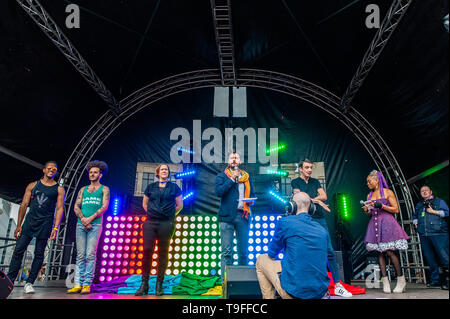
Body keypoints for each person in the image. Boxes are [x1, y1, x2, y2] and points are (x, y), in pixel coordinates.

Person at [291, 159, 352, 297]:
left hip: (319, 218)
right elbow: (299, 198)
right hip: (304, 218)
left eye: (311, 167)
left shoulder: (315, 182)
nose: (309, 170)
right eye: (306, 167)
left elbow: (323, 196)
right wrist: (317, 200)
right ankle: (308, 285)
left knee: (329, 250)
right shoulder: (295, 182)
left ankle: (337, 285)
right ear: (301, 169)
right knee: (305, 250)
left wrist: (313, 199)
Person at [256, 192, 330, 299]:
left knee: (261, 259)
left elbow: (272, 253)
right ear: (311, 208)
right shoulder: (322, 229)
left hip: (294, 293)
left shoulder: (285, 222)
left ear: (292, 206)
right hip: (319, 294)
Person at [7, 161, 65, 294]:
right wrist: (19, 225)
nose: (52, 170)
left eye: (54, 169)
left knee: (39, 254)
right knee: (18, 250)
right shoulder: (33, 185)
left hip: (45, 224)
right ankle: (10, 280)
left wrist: (55, 228)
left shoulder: (58, 189)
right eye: (49, 168)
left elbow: (60, 208)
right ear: (44, 170)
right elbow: (24, 204)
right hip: (29, 222)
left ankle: (29, 282)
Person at [135, 164, 183, 296]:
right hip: (150, 223)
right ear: (157, 172)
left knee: (163, 252)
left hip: (166, 223)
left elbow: (179, 205)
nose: (164, 171)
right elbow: (145, 204)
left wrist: (170, 215)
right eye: (162, 169)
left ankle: (159, 285)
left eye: (166, 169)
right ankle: (144, 284)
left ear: (168, 173)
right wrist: (152, 213)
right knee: (147, 251)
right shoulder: (150, 187)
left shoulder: (174, 187)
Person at [362, 170, 409, 293]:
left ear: (376, 180)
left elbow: (396, 209)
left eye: (369, 181)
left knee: (390, 252)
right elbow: (369, 214)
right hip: (375, 223)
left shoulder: (388, 192)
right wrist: (367, 210)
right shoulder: (369, 196)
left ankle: (401, 280)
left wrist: (381, 206)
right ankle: (385, 282)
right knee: (379, 253)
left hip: (387, 223)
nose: (367, 183)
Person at [67, 160, 110, 294]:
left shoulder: (104, 189)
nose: (92, 174)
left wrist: (90, 219)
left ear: (100, 174)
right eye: (91, 172)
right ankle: (78, 284)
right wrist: (83, 219)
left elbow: (104, 206)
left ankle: (87, 284)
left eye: (95, 172)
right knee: (80, 255)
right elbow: (76, 206)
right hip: (81, 224)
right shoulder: (82, 189)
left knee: (90, 254)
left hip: (95, 224)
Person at [214, 151, 255, 280]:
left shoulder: (247, 177)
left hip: (242, 216)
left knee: (243, 251)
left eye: (236, 158)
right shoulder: (222, 176)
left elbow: (252, 194)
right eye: (232, 158)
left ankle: (243, 281)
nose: (234, 160)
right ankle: (225, 282)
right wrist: (232, 179)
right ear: (228, 161)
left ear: (240, 161)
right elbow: (219, 192)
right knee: (227, 252)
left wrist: (251, 201)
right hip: (226, 218)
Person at [412, 185, 448, 289]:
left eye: (426, 190)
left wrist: (434, 212)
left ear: (431, 192)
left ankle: (447, 281)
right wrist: (415, 222)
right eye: (422, 191)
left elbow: (447, 213)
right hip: (424, 235)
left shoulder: (439, 201)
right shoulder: (419, 204)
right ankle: (435, 280)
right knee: (430, 258)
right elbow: (414, 215)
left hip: (439, 233)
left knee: (445, 257)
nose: (424, 192)